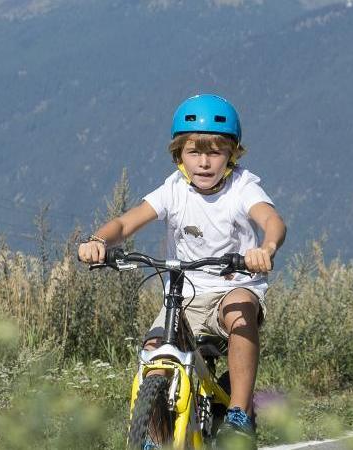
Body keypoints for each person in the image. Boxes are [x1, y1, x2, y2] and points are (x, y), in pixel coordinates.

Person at [77, 94, 284, 446]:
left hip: (231, 286)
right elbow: (126, 224)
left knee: (240, 312)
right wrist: (97, 240)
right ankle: (152, 435)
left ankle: (237, 414)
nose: (204, 162)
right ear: (179, 156)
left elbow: (271, 219)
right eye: (194, 152)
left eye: (215, 152)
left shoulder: (242, 187)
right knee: (156, 353)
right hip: (184, 293)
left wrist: (265, 248)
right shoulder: (173, 189)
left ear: (231, 155)